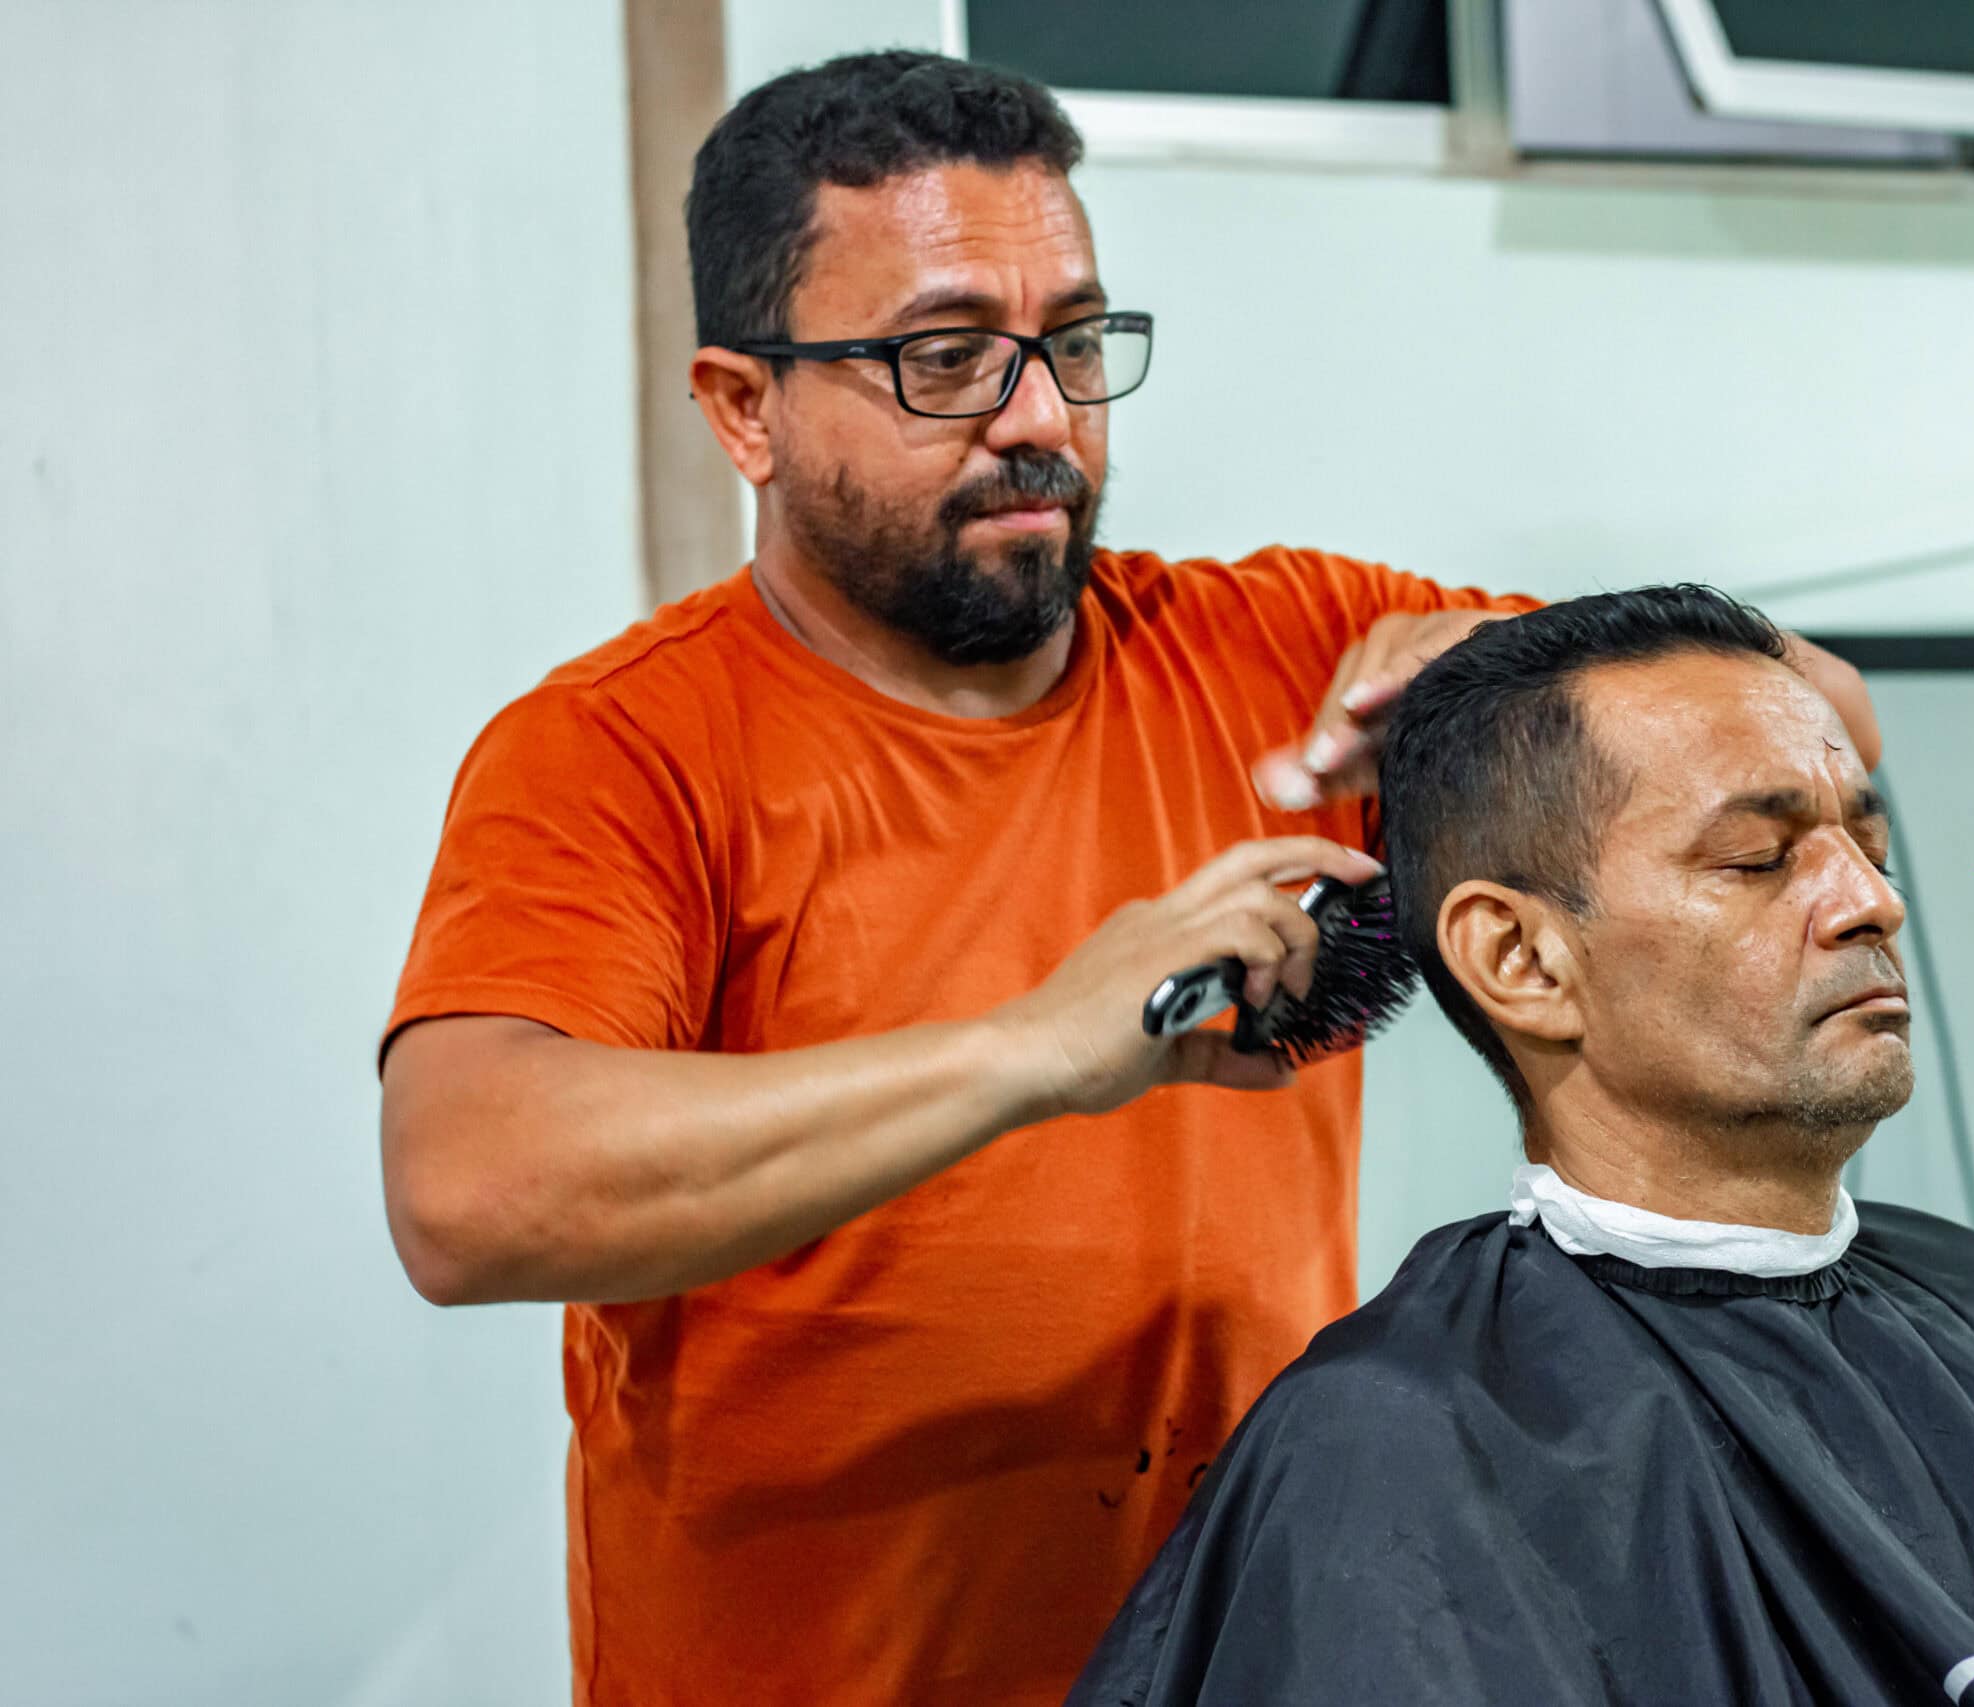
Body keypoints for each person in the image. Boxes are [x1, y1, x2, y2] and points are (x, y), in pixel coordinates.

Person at [375, 52, 1876, 1707]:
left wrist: (1506, 660)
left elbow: (1827, 733)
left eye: (1076, 345)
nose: (1040, 420)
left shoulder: (1288, 655)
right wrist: (1040, 1046)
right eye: (947, 358)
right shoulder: (623, 747)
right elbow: (471, 1187)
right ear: (746, 407)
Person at [1069, 586, 1974, 1707]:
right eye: (1758, 859)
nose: (1872, 901)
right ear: (1521, 960)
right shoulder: (1399, 1444)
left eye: (1868, 844)